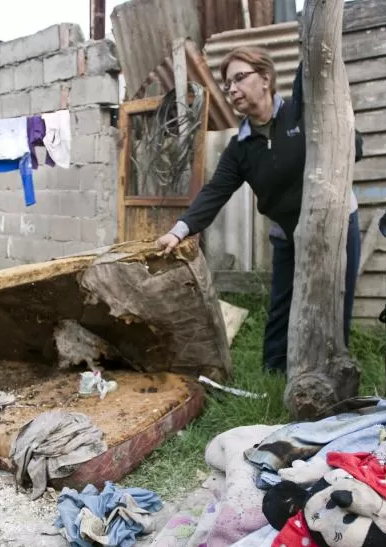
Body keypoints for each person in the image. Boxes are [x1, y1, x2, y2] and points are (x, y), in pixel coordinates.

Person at [155, 46, 362, 374]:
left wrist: (336, 120)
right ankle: (274, 376)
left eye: (239, 78)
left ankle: (334, 371)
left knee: (337, 302)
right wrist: (178, 230)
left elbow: (354, 149)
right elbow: (214, 192)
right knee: (282, 307)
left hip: (335, 224)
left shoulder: (303, 113)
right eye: (227, 84)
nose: (232, 89)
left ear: (265, 79)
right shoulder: (241, 148)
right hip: (287, 233)